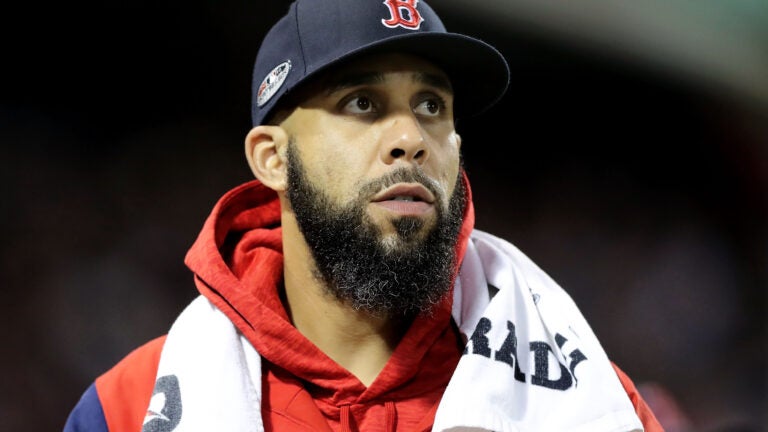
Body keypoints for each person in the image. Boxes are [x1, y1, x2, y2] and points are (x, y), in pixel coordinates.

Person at [65, 0, 663, 431]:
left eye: (432, 104)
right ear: (273, 159)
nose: (411, 137)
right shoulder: (128, 407)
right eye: (362, 103)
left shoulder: (587, 394)